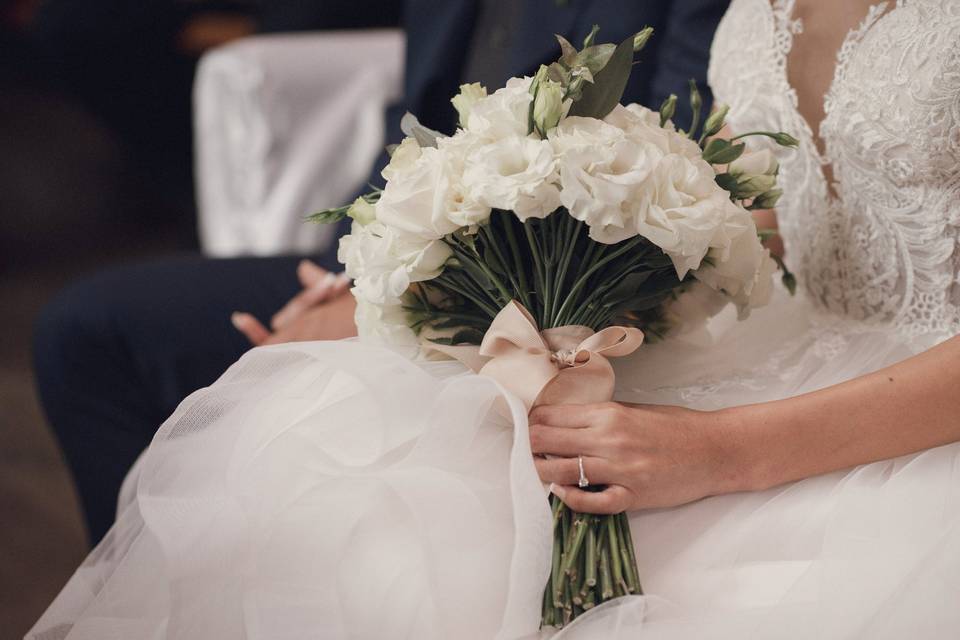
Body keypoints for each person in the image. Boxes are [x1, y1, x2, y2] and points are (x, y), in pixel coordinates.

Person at [34, 0, 960, 637]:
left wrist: (725, 450)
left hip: (916, 418)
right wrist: (534, 304)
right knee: (384, 476)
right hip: (787, 333)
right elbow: (777, 215)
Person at [33, 0, 727, 546]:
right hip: (399, 269)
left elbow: (672, 168)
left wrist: (397, 302)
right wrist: (348, 278)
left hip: (551, 300)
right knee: (93, 331)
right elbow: (412, 134)